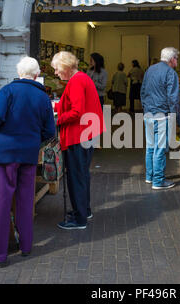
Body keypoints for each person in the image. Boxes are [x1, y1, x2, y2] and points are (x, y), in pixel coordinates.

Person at [0, 57, 56, 267]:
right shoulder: (43, 97)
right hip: (28, 154)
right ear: (36, 75)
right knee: (26, 200)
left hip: (4, 154)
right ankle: (26, 246)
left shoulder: (8, 91)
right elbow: (49, 131)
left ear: (19, 73)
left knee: (2, 203)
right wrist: (34, 139)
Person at [52, 51, 105, 230]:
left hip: (78, 135)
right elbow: (74, 105)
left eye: (57, 69)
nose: (56, 73)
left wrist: (57, 120)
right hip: (87, 133)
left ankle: (79, 218)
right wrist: (56, 106)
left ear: (66, 67)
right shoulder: (81, 78)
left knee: (76, 176)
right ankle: (84, 210)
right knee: (82, 174)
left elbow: (76, 111)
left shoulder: (76, 82)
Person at [140, 47, 180, 190]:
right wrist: (175, 117)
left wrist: (146, 109)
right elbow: (173, 98)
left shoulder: (150, 70)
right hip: (162, 116)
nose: (177, 61)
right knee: (159, 149)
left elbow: (143, 91)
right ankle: (158, 181)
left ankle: (149, 177)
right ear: (172, 59)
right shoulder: (171, 73)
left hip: (149, 114)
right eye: (176, 58)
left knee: (150, 147)